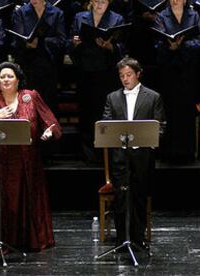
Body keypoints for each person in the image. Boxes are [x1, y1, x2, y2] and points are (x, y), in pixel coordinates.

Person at [0, 61, 62, 252]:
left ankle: (27, 240)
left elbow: (52, 123)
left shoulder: (31, 96)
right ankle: (0, 239)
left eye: (10, 76)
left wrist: (49, 132)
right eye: (2, 76)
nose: (6, 79)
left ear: (18, 80)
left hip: (27, 164)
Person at [102, 57, 166, 249]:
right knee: (121, 198)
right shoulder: (112, 98)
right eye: (122, 76)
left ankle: (138, 239)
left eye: (129, 75)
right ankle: (122, 239)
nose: (125, 79)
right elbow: (105, 126)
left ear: (138, 74)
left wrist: (148, 141)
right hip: (120, 158)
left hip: (142, 157)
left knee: (138, 196)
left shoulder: (153, 97)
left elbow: (160, 127)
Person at [67, 0, 126, 163]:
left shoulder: (116, 19)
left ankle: (105, 153)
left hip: (106, 74)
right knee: (86, 112)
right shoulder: (80, 17)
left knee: (105, 112)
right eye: (96, 0)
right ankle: (88, 154)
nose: (100, 4)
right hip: (85, 71)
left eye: (103, 1)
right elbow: (70, 42)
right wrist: (75, 43)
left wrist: (110, 47)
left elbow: (122, 47)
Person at [153, 0, 200, 162]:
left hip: (188, 69)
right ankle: (168, 152)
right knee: (169, 108)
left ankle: (186, 152)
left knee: (186, 109)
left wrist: (181, 46)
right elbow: (157, 43)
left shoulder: (194, 15)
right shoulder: (161, 16)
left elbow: (198, 42)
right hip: (168, 69)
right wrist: (170, 47)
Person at [11, 0, 66, 114]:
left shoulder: (56, 13)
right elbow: (15, 41)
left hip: (48, 65)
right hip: (27, 66)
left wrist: (41, 41)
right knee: (28, 104)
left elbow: (61, 40)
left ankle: (49, 131)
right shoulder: (20, 12)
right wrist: (26, 43)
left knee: (48, 104)